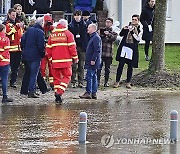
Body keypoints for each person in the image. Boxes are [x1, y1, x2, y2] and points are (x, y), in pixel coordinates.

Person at [47, 19, 78, 104]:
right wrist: (75, 58)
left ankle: (57, 96)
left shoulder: (52, 35)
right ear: (65, 25)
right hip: (66, 61)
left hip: (55, 61)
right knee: (67, 76)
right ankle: (59, 92)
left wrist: (50, 60)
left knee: (56, 79)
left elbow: (48, 49)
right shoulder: (68, 34)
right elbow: (72, 48)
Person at [113, 14, 141, 89]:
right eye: (133, 19)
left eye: (135, 20)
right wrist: (124, 29)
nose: (134, 21)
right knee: (120, 65)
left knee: (130, 66)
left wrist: (132, 32)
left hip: (132, 49)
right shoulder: (128, 26)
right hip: (125, 47)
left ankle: (128, 82)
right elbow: (121, 34)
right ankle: (117, 81)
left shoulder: (139, 29)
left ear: (138, 21)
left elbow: (137, 39)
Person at [20, 17, 45, 98]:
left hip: (27, 55)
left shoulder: (28, 31)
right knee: (34, 74)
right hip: (35, 56)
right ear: (41, 23)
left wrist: (24, 50)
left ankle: (26, 90)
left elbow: (22, 41)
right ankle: (31, 91)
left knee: (28, 73)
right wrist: (42, 54)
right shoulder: (40, 32)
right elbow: (41, 45)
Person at [79, 23, 102, 99]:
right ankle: (93, 92)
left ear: (93, 29)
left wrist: (93, 59)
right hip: (92, 60)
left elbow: (97, 50)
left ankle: (88, 92)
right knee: (93, 76)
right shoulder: (93, 37)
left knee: (89, 76)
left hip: (92, 61)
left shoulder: (95, 38)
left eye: (89, 27)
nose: (87, 29)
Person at [3, 8, 23, 88]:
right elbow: (8, 32)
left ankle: (13, 82)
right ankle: (4, 82)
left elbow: (21, 34)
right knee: (8, 67)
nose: (14, 17)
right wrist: (17, 27)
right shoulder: (6, 23)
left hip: (18, 49)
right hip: (10, 49)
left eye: (15, 15)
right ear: (9, 15)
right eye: (13, 15)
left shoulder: (18, 22)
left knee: (16, 67)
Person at [68, 10, 88, 88]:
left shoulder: (84, 25)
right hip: (74, 47)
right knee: (74, 65)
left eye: (78, 15)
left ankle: (81, 81)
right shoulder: (70, 25)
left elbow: (86, 37)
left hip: (82, 47)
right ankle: (73, 81)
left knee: (81, 65)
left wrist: (85, 46)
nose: (77, 16)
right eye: (76, 15)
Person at [97, 17, 117, 87]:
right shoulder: (102, 30)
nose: (107, 23)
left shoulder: (113, 32)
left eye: (109, 22)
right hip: (101, 52)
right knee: (99, 68)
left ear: (111, 23)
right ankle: (98, 81)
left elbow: (113, 38)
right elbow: (99, 39)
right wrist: (100, 34)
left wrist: (108, 34)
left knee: (107, 68)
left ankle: (106, 81)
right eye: (106, 22)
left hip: (109, 53)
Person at [40, 14, 54, 89]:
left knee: (51, 67)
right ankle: (43, 82)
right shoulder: (41, 29)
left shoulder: (52, 29)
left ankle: (52, 83)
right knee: (42, 67)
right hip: (43, 51)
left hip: (50, 51)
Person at [0, 24, 13, 103]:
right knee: (4, 79)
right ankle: (4, 96)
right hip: (4, 62)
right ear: (3, 30)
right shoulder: (6, 39)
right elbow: (6, 51)